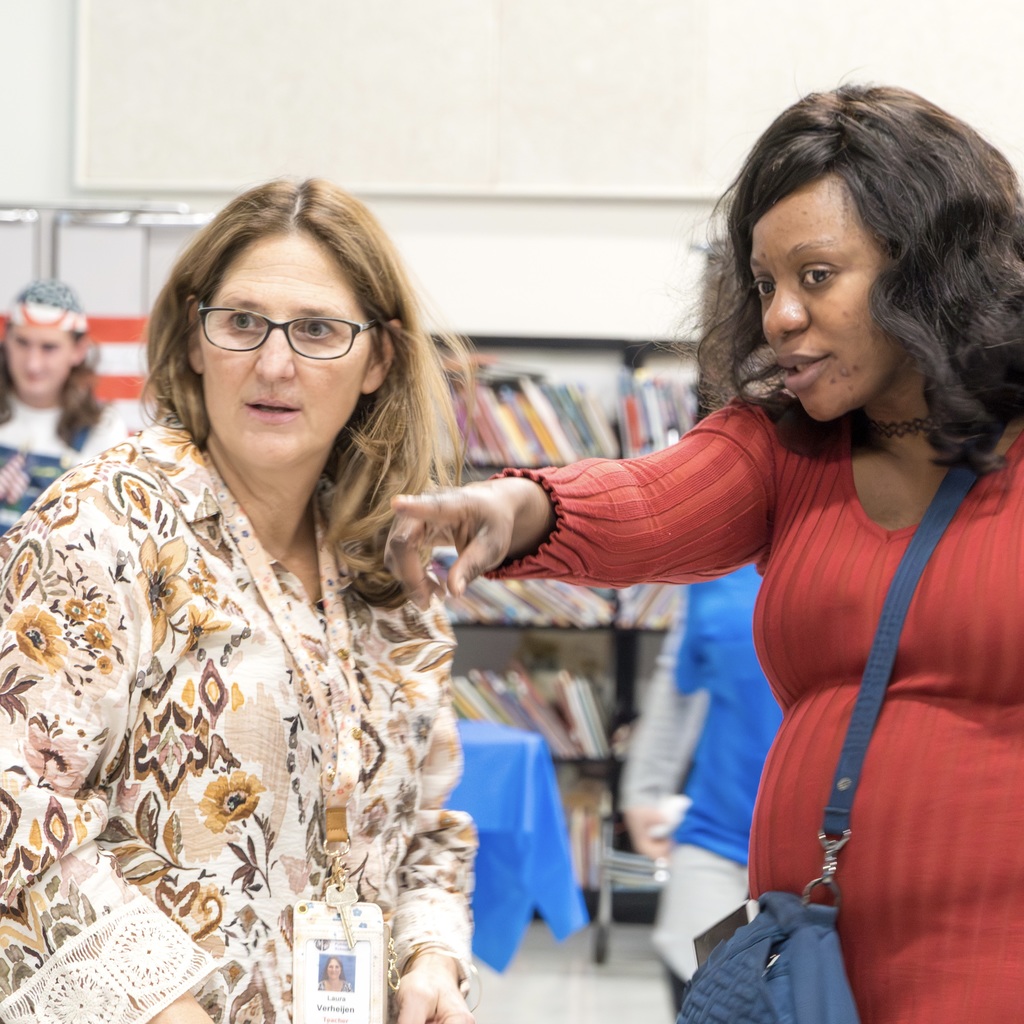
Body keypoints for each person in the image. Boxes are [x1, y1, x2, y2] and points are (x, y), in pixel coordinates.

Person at [384, 84, 1024, 1023]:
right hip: (804, 960)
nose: (779, 317)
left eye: (816, 276)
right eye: (766, 284)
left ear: (925, 269)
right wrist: (516, 507)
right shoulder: (785, 446)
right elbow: (652, 497)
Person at [0, 179, 478, 1024]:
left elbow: (427, 823)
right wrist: (154, 1005)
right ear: (195, 339)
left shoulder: (389, 565)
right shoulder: (103, 527)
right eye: (242, 322)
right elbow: (17, 814)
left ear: (379, 362)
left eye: (320, 330)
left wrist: (432, 956)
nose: (274, 364)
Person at [620, 565, 781, 1015]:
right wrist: (644, 791)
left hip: (824, 859)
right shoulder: (717, 570)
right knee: (710, 993)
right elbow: (679, 683)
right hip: (718, 844)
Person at [0, 277, 128, 532]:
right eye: (22, 343)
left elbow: (106, 534)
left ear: (79, 350)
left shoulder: (103, 428)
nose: (32, 364)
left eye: (49, 348)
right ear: (6, 339)